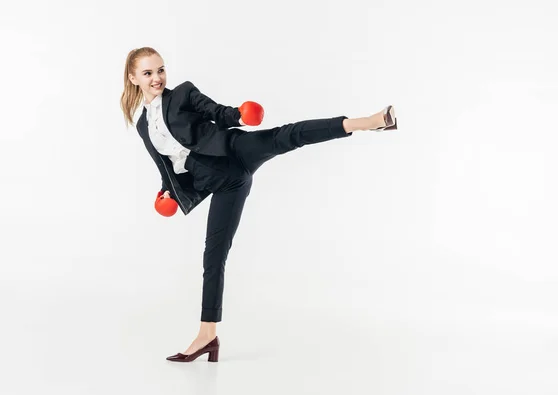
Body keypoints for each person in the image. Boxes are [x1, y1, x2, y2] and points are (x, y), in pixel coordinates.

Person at [119, 47, 397, 363]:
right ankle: (207, 335)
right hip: (222, 183)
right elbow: (168, 167)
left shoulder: (182, 94)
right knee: (213, 256)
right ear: (133, 78)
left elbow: (217, 111)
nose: (157, 78)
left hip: (234, 151)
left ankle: (368, 122)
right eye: (148, 73)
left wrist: (239, 114)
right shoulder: (143, 126)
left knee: (286, 136)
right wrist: (165, 193)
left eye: (160, 70)